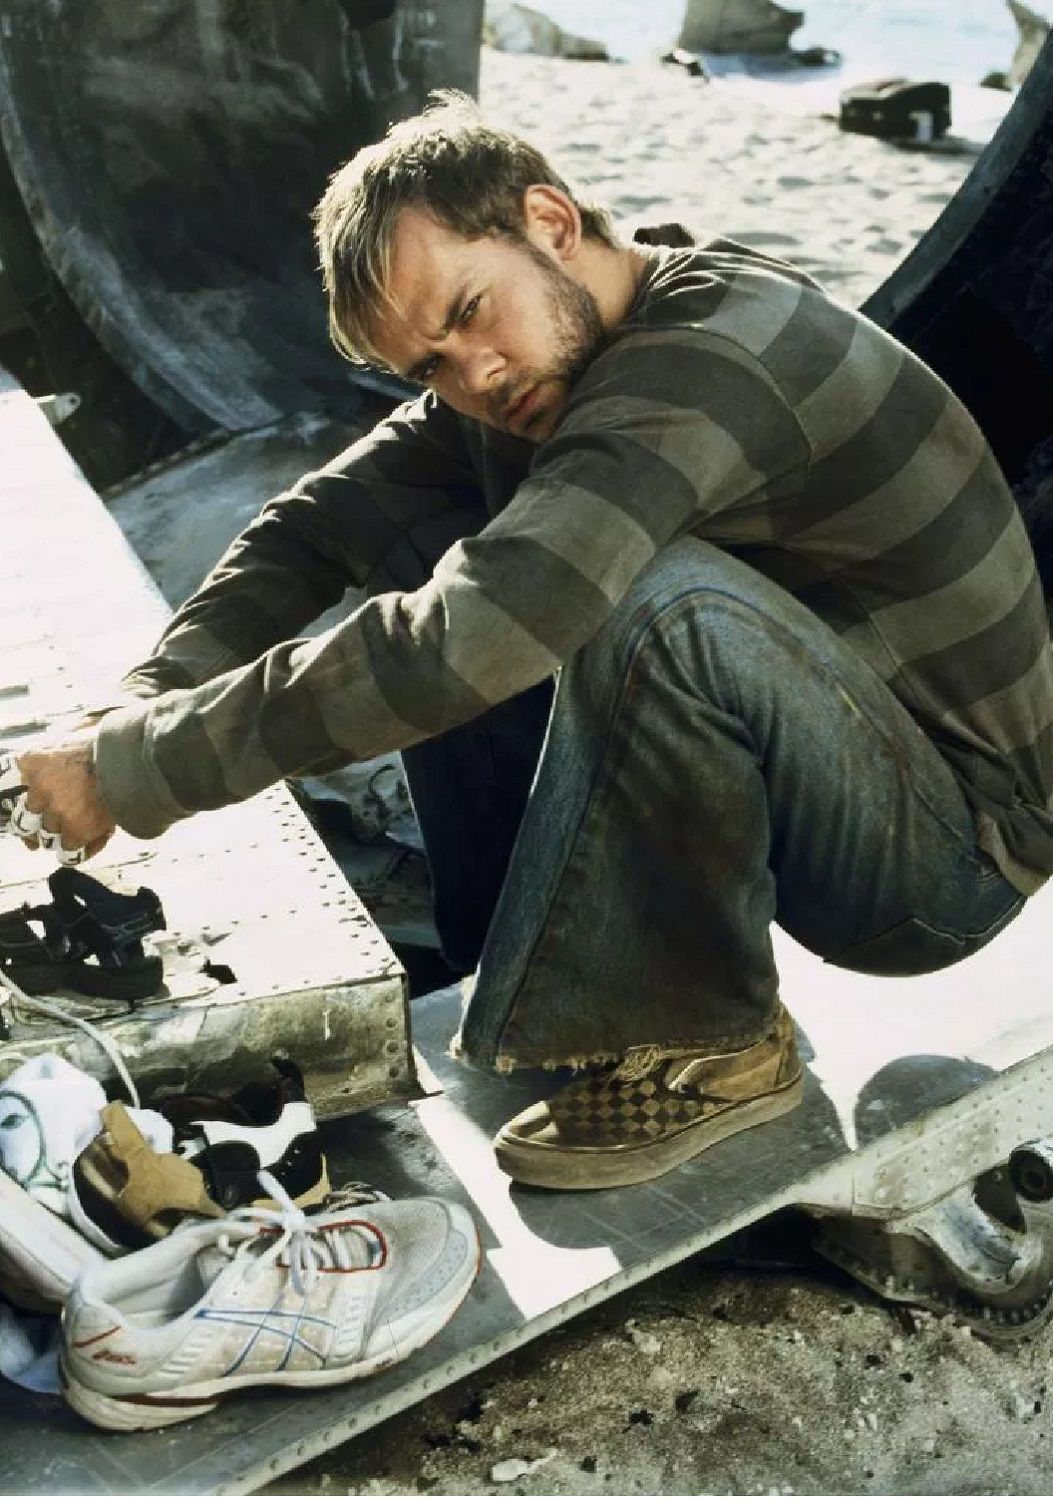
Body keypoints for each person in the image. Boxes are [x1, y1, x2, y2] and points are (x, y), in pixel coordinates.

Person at [17, 92, 1053, 1191]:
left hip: (946, 861)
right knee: (444, 547)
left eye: (471, 312)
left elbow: (472, 637)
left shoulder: (702, 361)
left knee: (634, 600)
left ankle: (712, 1041)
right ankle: (528, 985)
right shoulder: (550, 361)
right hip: (830, 777)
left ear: (550, 223)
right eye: (429, 365)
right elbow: (314, 529)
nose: (475, 374)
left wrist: (137, 771)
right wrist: (142, 701)